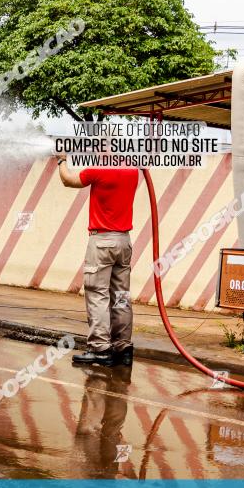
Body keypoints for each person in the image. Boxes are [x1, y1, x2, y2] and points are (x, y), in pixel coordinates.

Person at [57, 156, 138, 366]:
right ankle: (124, 348)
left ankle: (100, 348)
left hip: (102, 241)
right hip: (124, 241)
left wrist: (61, 161)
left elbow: (68, 180)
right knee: (121, 295)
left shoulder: (99, 169)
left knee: (98, 294)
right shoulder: (133, 170)